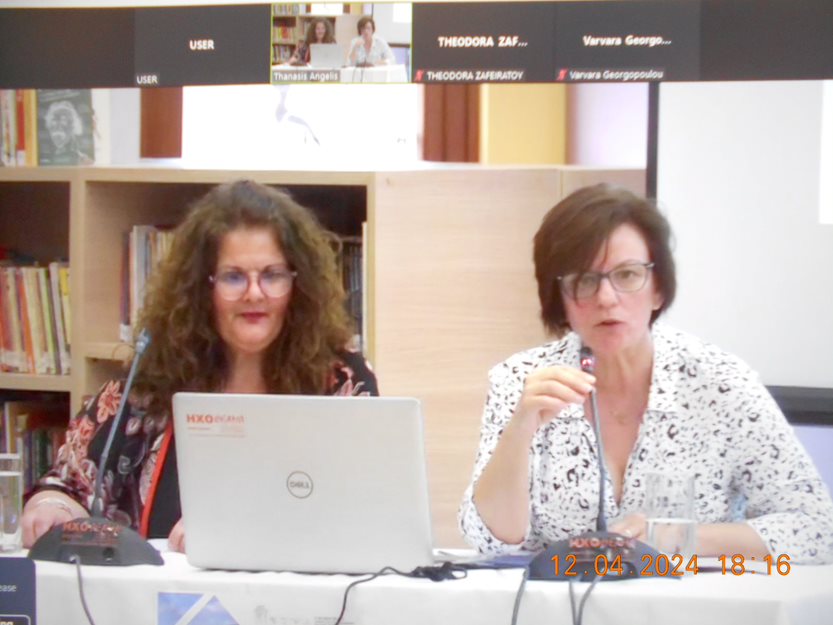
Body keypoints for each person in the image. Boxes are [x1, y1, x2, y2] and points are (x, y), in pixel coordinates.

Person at [459, 183, 833, 564]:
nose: (606, 298)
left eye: (627, 275)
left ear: (658, 289)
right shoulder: (520, 380)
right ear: (560, 300)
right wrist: (520, 429)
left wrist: (681, 537)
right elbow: (493, 542)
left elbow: (818, 529)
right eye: (584, 280)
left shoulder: (721, 384)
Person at [21, 180, 378, 551]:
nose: (254, 293)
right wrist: (52, 507)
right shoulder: (153, 380)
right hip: (161, 588)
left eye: (272, 275)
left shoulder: (341, 378)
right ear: (201, 288)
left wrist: (243, 529)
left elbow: (369, 504)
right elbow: (67, 484)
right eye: (233, 277)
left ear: (298, 284)